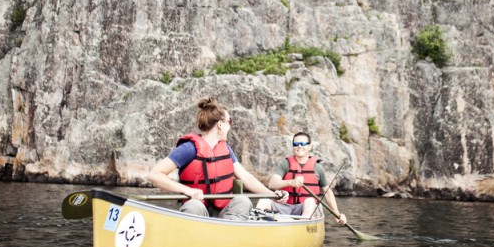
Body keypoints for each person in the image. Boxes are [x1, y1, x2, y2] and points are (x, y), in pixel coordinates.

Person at [148, 97, 287, 220]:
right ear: (220, 124)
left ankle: (227, 237)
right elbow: (155, 175)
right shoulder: (189, 149)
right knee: (193, 206)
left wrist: (272, 195)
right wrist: (187, 190)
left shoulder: (226, 149)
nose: (230, 126)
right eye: (229, 121)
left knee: (243, 201)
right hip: (198, 210)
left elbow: (246, 177)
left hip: (223, 211)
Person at [260, 131, 347, 225]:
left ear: (309, 146)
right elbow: (272, 184)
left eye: (303, 143)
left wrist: (337, 214)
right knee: (263, 201)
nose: (299, 146)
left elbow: (327, 192)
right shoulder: (285, 164)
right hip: (285, 207)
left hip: (307, 209)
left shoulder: (317, 168)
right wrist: (290, 182)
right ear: (293, 146)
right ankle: (257, 225)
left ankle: (301, 226)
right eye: (296, 144)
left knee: (310, 201)